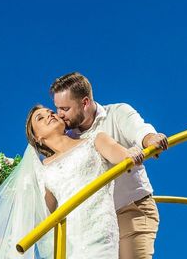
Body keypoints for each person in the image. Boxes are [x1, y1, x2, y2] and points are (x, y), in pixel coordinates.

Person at [51, 72, 168, 259]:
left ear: (85, 102)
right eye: (57, 108)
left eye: (65, 108)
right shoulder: (69, 137)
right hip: (95, 224)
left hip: (131, 209)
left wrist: (150, 139)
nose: (60, 115)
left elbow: (139, 130)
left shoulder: (117, 113)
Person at [26, 105, 145, 259]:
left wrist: (130, 153)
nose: (49, 115)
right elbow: (42, 214)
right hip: (70, 241)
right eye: (40, 118)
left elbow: (121, 156)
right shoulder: (44, 170)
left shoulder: (95, 139)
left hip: (100, 230)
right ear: (37, 138)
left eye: (50, 112)